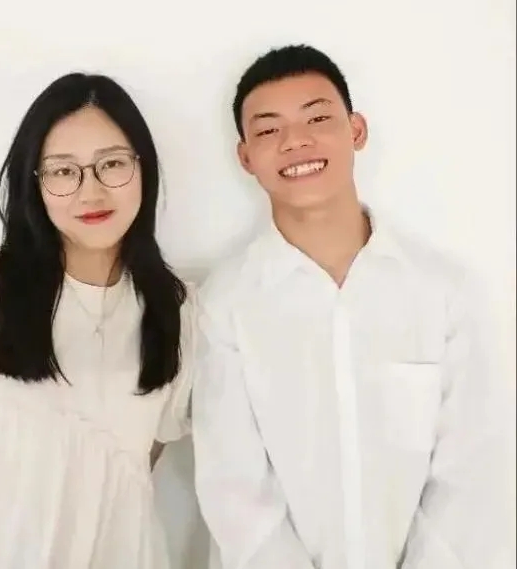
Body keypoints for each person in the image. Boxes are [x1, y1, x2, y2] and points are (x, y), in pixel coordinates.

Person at [192, 45, 510, 569]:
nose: (296, 141)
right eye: (269, 129)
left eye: (317, 118)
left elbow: (474, 471)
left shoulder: (446, 293)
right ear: (245, 157)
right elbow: (234, 488)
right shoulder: (225, 306)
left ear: (356, 130)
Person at [0, 73, 196, 569]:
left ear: (143, 167)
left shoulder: (179, 309)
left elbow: (141, 458)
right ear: (34, 182)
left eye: (112, 164)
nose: (91, 191)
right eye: (63, 171)